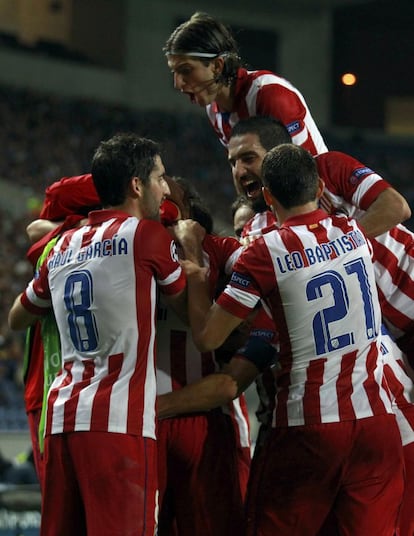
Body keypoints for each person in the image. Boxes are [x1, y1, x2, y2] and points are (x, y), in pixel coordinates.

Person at [182, 143, 404, 535]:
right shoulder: (353, 232)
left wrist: (198, 274)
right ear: (320, 188)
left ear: (267, 197)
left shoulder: (264, 251)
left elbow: (207, 338)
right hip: (376, 422)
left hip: (309, 425)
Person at [8, 133, 187, 536]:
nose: (165, 187)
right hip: (117, 424)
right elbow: (191, 311)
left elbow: (17, 318)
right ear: (136, 185)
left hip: (61, 420)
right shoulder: (146, 236)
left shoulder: (62, 245)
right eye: (159, 177)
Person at [156, 176, 251, 536]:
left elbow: (263, 270)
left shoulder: (221, 249)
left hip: (209, 419)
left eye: (169, 190)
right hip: (145, 419)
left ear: (189, 210)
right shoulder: (132, 247)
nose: (161, 193)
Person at [164, 11, 328, 156]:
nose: (178, 84)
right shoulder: (214, 111)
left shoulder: (270, 93)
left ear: (217, 66)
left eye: (186, 70)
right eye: (174, 72)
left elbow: (309, 175)